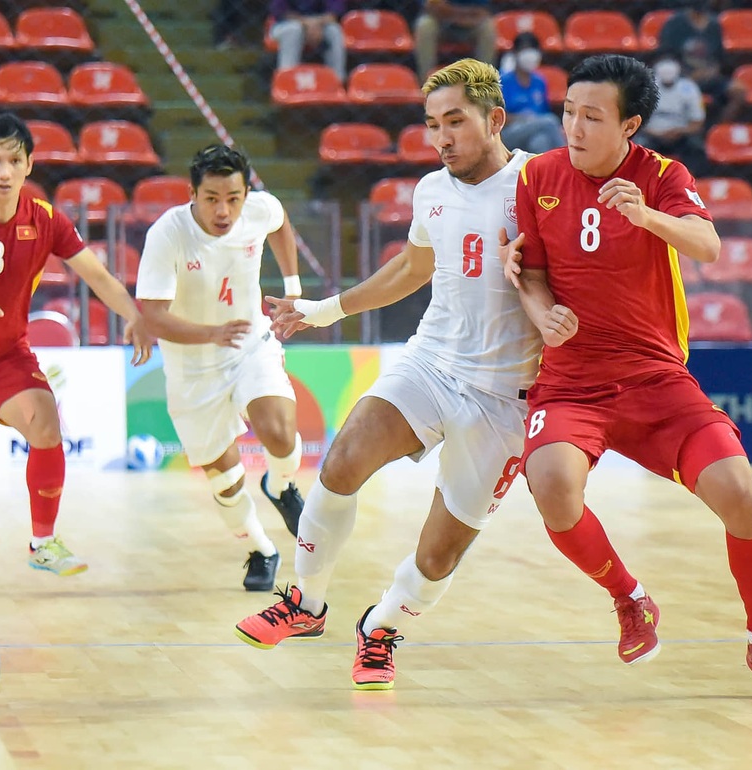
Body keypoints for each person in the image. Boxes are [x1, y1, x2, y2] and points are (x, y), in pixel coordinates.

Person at [502, 54, 752, 699]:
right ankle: (629, 597)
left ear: (629, 124)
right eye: (568, 113)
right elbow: (528, 271)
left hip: (656, 380)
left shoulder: (662, 175)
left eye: (591, 117)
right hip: (573, 380)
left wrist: (646, 217)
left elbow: (707, 244)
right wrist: (541, 311)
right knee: (551, 484)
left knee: (741, 495)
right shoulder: (538, 176)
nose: (574, 128)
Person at [234, 58, 541, 690]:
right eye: (433, 125)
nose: (442, 138)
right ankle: (306, 604)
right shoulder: (431, 190)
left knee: (439, 554)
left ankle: (379, 629)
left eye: (456, 122)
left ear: (495, 119)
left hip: (505, 397)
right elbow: (410, 270)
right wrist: (321, 310)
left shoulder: (539, 183)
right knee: (343, 460)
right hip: (431, 362)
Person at [0, 112, 153, 590]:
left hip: (6, 357)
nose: (3, 172)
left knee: (44, 419)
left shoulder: (45, 220)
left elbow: (97, 275)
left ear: (28, 165)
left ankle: (43, 543)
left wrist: (135, 315)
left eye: (13, 161)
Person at [135, 144, 307, 592]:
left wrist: (293, 287)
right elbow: (151, 315)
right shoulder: (168, 233)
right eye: (211, 198)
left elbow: (281, 221)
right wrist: (210, 333)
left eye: (233, 197)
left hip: (249, 344)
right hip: (193, 367)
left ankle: (282, 485)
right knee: (226, 480)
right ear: (192, 193)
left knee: (281, 433)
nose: (224, 209)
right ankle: (260, 550)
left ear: (246, 192)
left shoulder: (258, 209)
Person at [633, 51, 708, 176]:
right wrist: (655, 133)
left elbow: (697, 122)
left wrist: (680, 131)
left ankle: (694, 182)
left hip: (680, 135)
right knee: (635, 149)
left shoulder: (689, 88)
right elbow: (634, 119)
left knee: (697, 149)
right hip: (652, 134)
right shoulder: (644, 88)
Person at [500, 32, 565, 155]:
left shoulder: (539, 82)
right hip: (510, 133)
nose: (530, 55)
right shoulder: (504, 81)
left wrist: (534, 121)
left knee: (539, 142)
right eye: (525, 50)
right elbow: (499, 118)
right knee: (550, 121)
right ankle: (567, 160)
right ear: (515, 53)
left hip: (536, 130)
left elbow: (543, 111)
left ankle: (543, 173)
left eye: (533, 50)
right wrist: (524, 119)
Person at [414, 0, 496, 81]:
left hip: (470, 24)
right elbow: (432, 6)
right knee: (425, 26)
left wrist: (453, 13)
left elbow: (482, 12)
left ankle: (484, 82)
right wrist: (463, 14)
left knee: (488, 28)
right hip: (440, 22)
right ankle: (425, 81)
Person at [269, 0, 347, 82]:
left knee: (334, 30)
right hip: (286, 25)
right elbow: (282, 13)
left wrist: (315, 24)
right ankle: (286, 80)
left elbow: (333, 15)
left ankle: (337, 81)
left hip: (321, 25)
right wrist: (307, 24)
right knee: (294, 29)